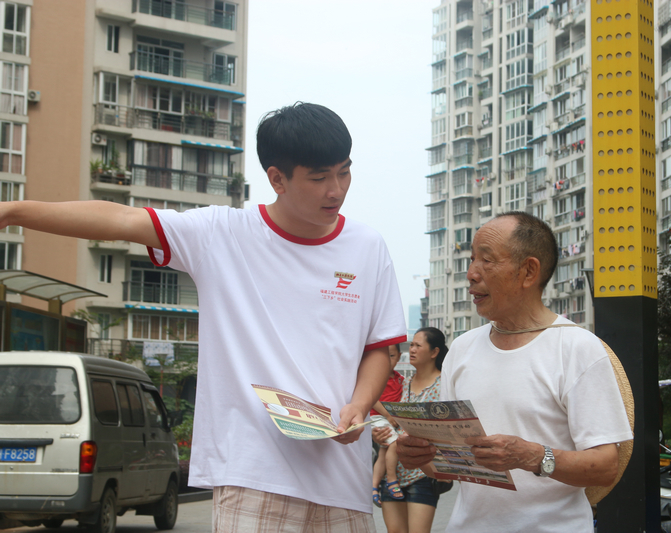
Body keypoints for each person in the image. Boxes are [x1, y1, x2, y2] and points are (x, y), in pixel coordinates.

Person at [0, 103, 407, 532]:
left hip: (342, 479)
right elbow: (121, 219)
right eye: (320, 178)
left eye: (344, 172)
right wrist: (11, 212)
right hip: (252, 473)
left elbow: (379, 348)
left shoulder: (367, 246)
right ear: (277, 179)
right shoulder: (222, 234)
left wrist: (359, 406)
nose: (336, 190)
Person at [395, 212, 633, 533]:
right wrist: (419, 456)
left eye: (487, 260)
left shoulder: (577, 347)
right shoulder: (462, 349)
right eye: (472, 259)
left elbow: (605, 467)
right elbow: (448, 467)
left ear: (528, 271)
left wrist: (532, 456)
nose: (471, 274)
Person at [374, 327, 449, 533]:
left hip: (422, 473)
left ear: (434, 352)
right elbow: (390, 421)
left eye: (418, 345)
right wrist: (380, 435)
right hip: (393, 473)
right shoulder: (403, 383)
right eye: (411, 345)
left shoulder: (445, 386)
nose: (412, 350)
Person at [370, 343, 405, 507]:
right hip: (378, 417)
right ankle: (392, 479)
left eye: (391, 356)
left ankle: (373, 487)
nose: (388, 360)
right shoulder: (376, 378)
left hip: (389, 420)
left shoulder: (400, 379)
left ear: (399, 356)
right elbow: (372, 399)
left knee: (383, 453)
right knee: (394, 442)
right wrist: (388, 415)